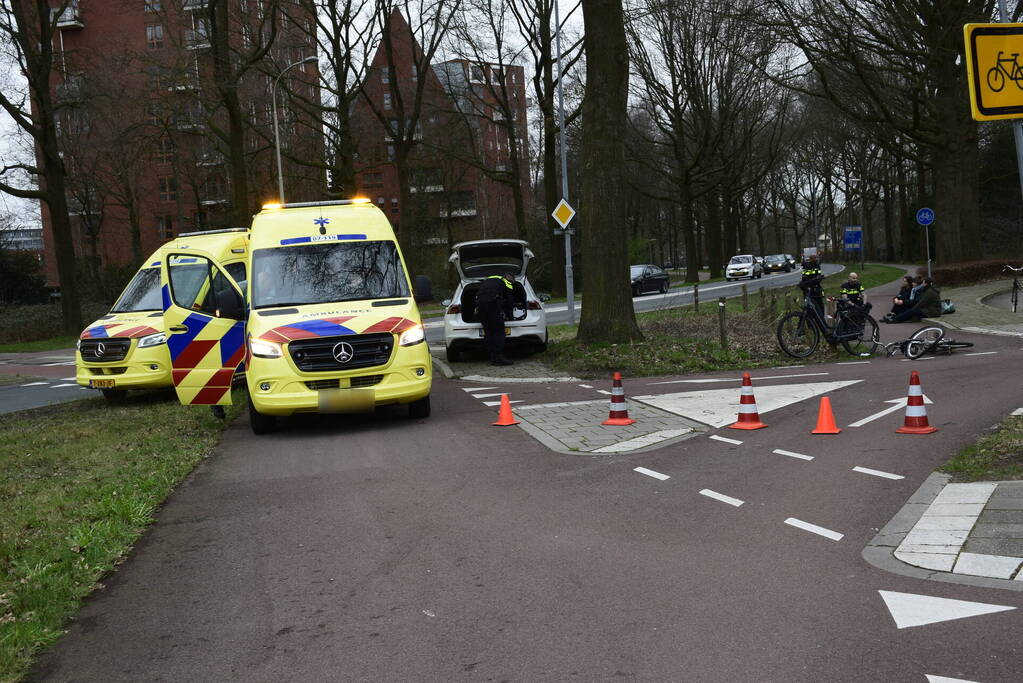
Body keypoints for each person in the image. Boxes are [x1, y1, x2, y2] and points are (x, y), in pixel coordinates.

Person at [475, 273, 515, 366]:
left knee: (488, 331)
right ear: (509, 278)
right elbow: (510, 300)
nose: (512, 283)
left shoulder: (488, 279)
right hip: (492, 305)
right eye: (513, 281)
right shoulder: (506, 282)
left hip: (481, 306)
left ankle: (493, 357)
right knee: (498, 332)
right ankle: (499, 358)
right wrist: (509, 315)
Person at [799, 251, 825, 320]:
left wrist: (818, 279)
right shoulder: (807, 265)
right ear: (810, 259)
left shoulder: (817, 265)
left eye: (816, 258)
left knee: (820, 304)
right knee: (808, 305)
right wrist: (807, 283)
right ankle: (810, 322)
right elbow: (804, 277)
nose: (816, 259)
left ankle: (822, 319)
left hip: (816, 287)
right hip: (808, 287)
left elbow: (819, 275)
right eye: (814, 258)